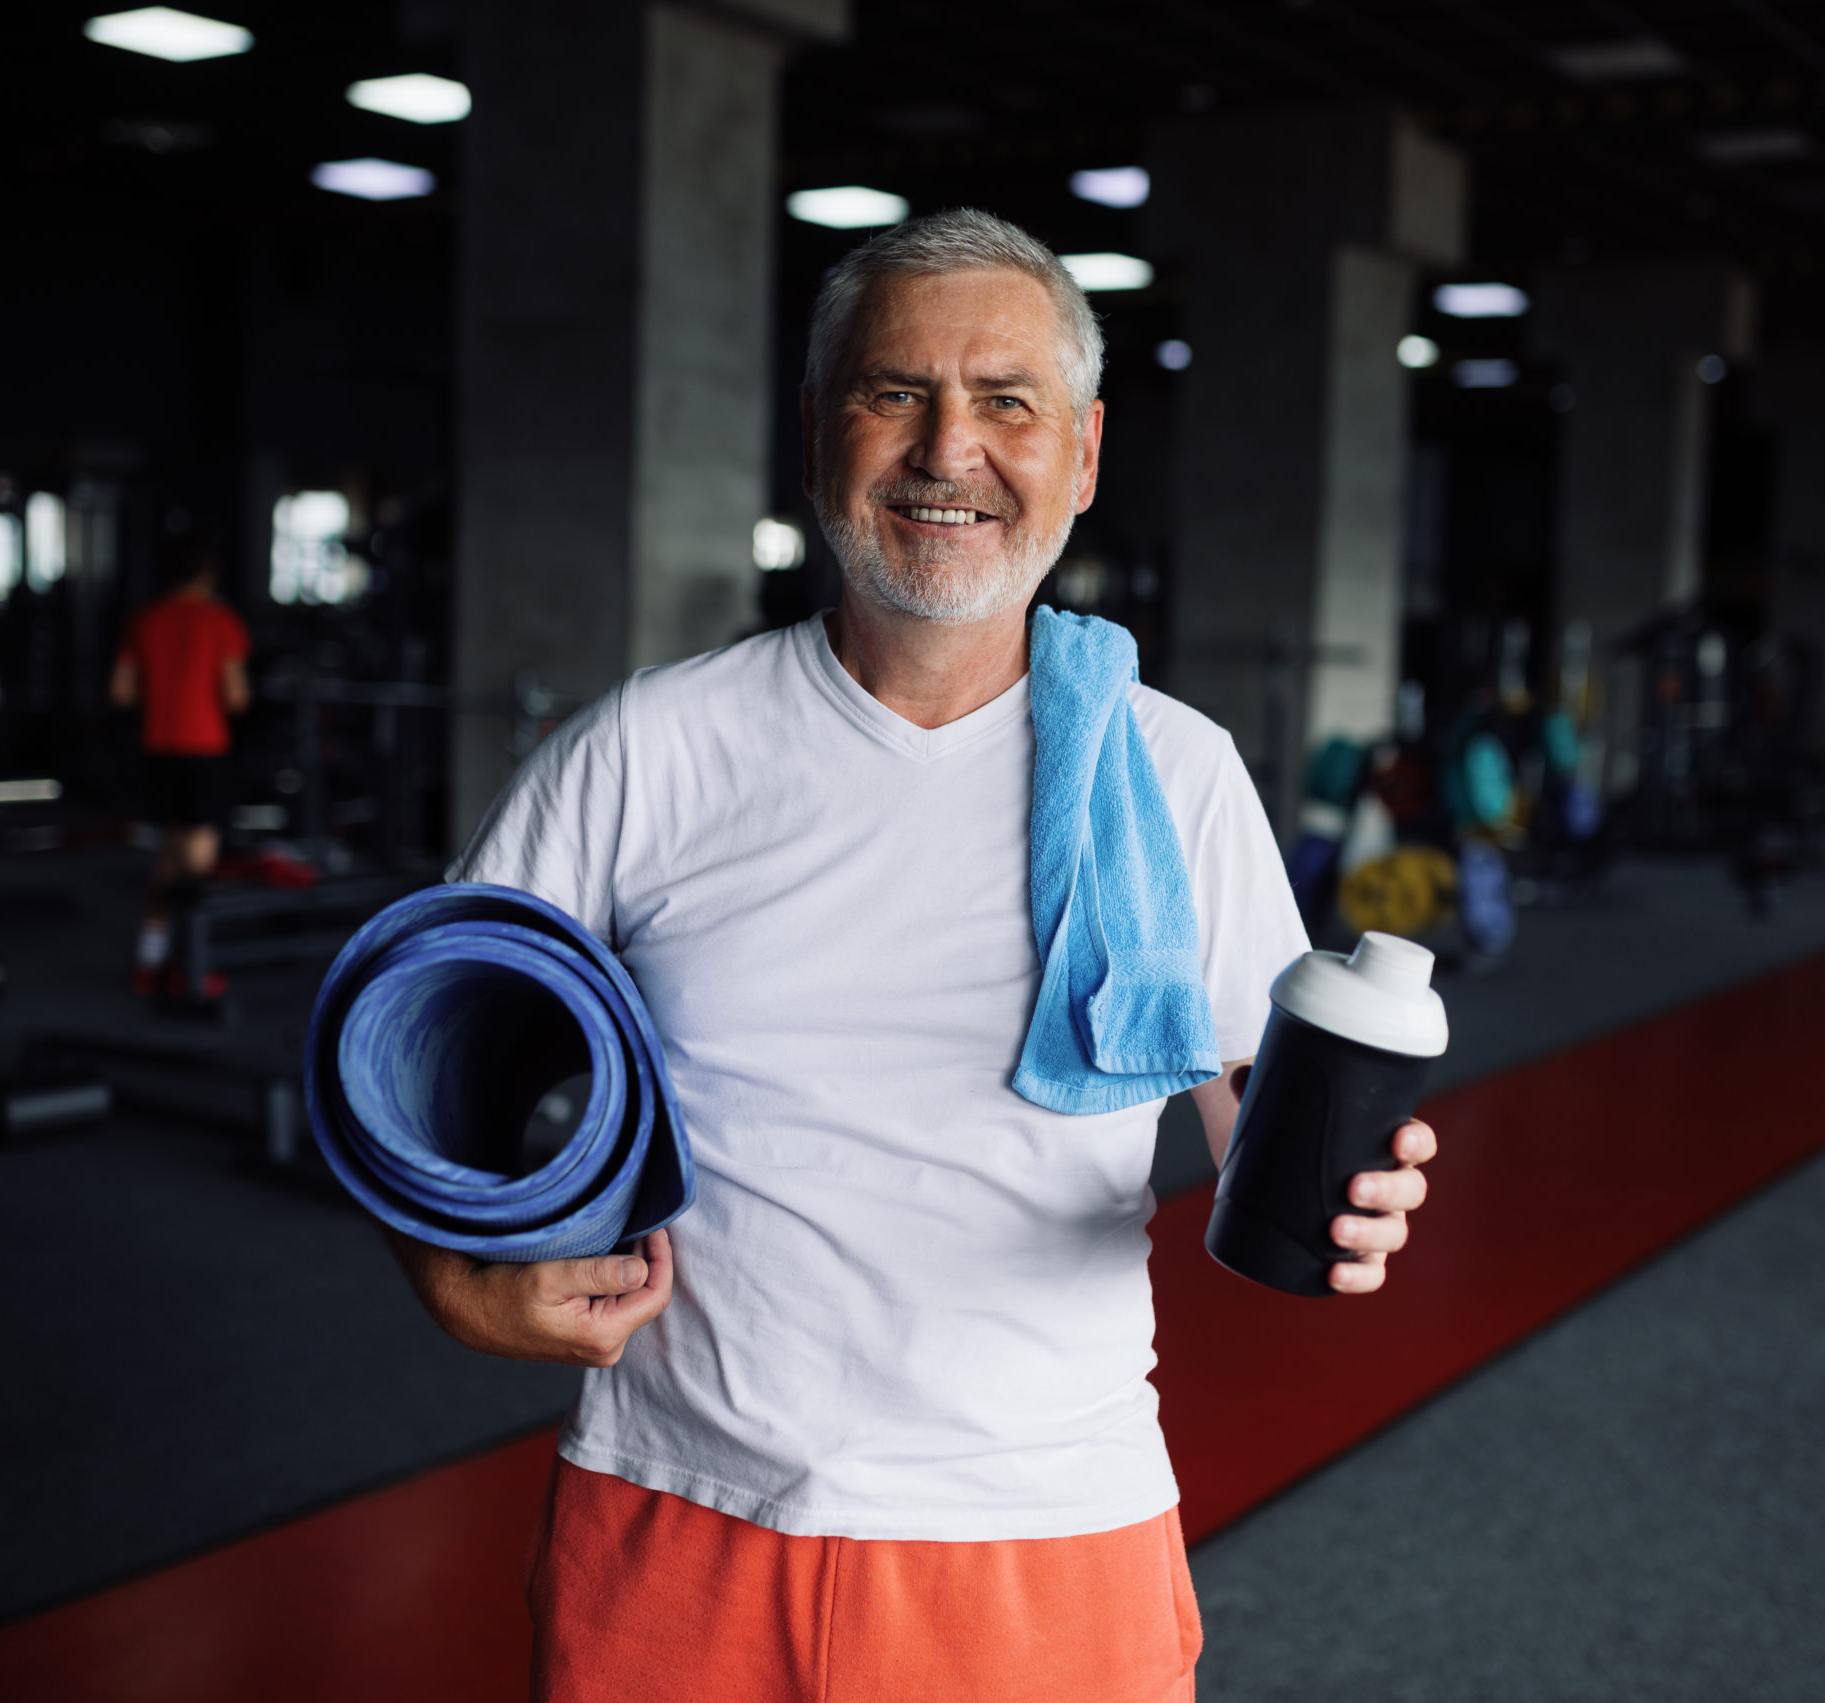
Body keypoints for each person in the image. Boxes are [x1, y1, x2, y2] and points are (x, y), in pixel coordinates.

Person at [405, 211, 1438, 1702]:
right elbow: (412, 1042)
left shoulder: (1174, 773)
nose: (950, 450)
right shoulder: (649, 746)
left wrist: (1360, 1194)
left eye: (1007, 402)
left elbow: (1266, 1127)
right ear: (821, 435)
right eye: (897, 393)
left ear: (1081, 458)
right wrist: (452, 1279)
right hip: (681, 1519)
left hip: (1047, 1541)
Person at [109, 531, 250, 996]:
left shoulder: (145, 621)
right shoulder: (219, 621)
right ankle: (188, 967)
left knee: (170, 859)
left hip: (159, 749)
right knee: (196, 865)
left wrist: (166, 692)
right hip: (203, 748)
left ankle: (149, 960)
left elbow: (121, 693)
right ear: (207, 573)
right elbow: (235, 697)